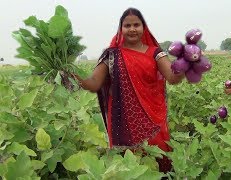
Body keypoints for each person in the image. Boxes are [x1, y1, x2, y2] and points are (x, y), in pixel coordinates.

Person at [72, 7, 184, 173]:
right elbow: (94, 83)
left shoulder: (156, 53)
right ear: (121, 29)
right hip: (123, 122)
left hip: (153, 120)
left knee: (158, 162)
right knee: (127, 168)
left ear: (143, 27)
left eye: (136, 25)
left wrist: (187, 65)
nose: (132, 29)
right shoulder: (112, 55)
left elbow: (173, 78)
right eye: (127, 25)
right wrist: (71, 75)